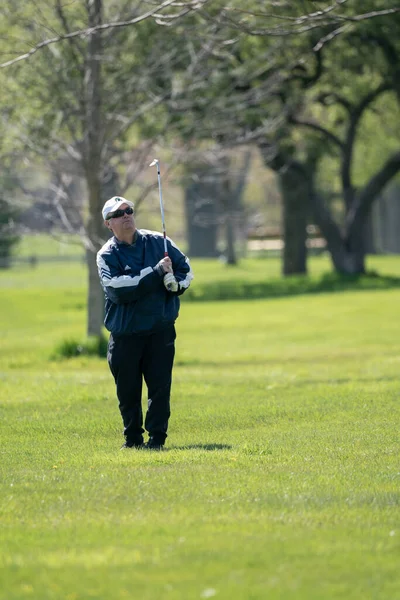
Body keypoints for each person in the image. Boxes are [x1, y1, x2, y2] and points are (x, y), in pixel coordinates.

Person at [96, 196, 193, 450]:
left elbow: (185, 268)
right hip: (125, 335)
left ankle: (157, 440)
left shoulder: (159, 241)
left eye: (129, 211)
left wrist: (176, 285)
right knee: (128, 393)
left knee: (160, 389)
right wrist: (156, 273)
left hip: (160, 331)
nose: (126, 216)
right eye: (119, 214)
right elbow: (117, 289)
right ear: (109, 224)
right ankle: (133, 440)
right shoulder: (106, 255)